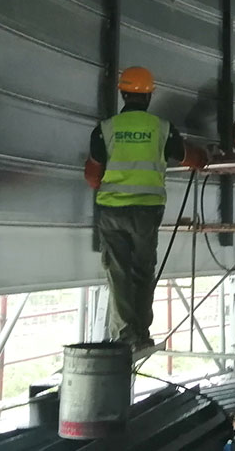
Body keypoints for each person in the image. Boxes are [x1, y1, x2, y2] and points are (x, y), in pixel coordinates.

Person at [84, 66, 206, 351]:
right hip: (146, 213)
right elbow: (193, 159)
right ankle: (141, 331)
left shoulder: (105, 129)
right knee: (142, 269)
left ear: (123, 93)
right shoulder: (162, 129)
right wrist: (207, 154)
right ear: (149, 96)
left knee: (118, 272)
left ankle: (127, 333)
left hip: (112, 212)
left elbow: (92, 177)